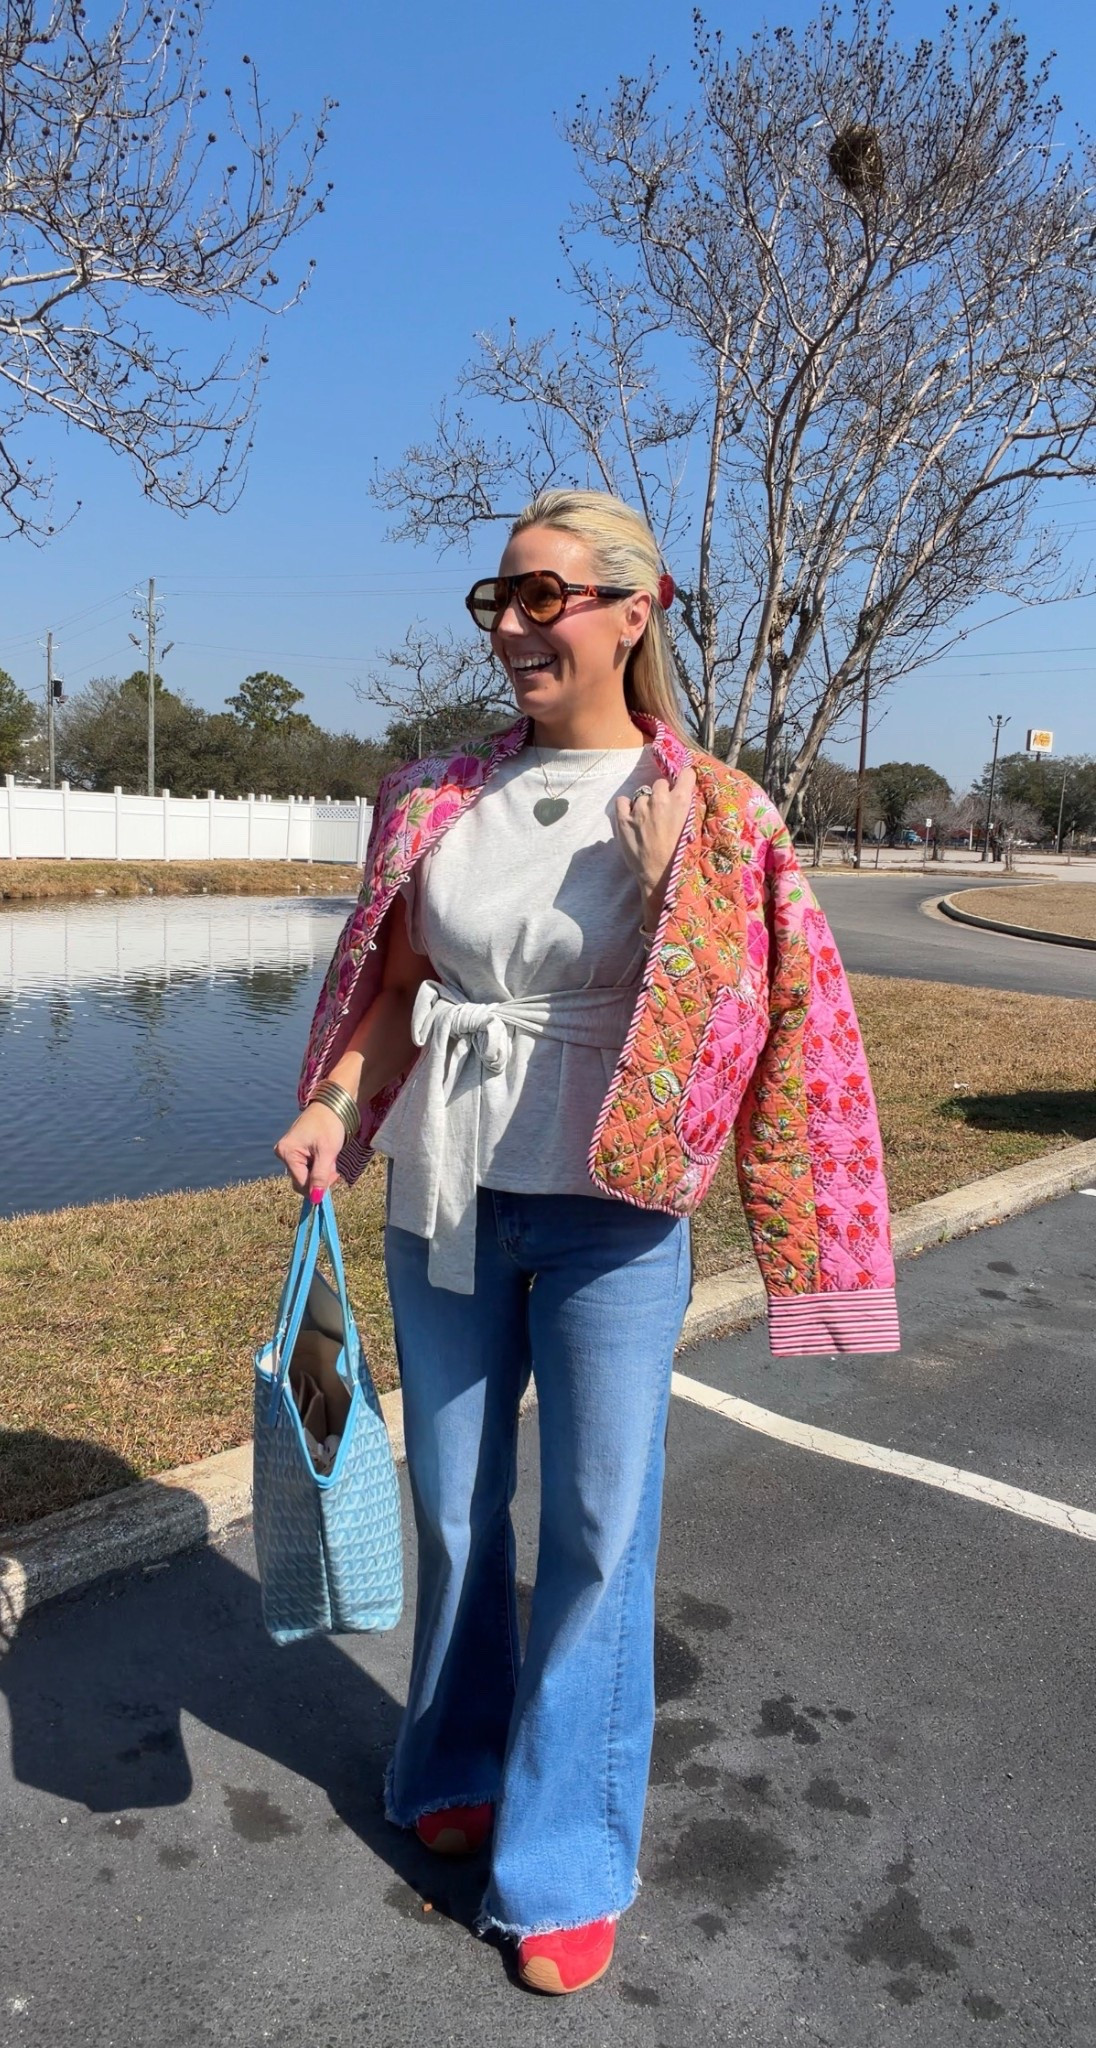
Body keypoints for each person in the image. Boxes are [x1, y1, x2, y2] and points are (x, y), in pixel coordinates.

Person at [275, 489, 899, 1996]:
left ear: (636, 609)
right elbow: (397, 977)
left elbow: (792, 1030)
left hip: (619, 1215)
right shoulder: (432, 796)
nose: (512, 625)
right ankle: (456, 1763)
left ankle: (561, 1863)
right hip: (450, 1194)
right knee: (455, 1511)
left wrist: (682, 874)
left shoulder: (723, 809)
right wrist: (340, 1101)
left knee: (600, 1537)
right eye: (497, 597)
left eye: (545, 596)